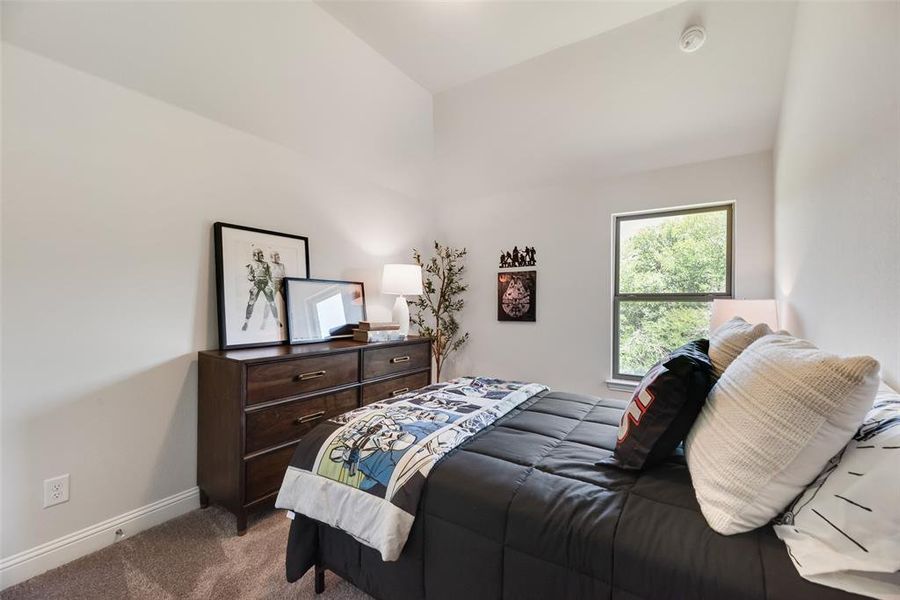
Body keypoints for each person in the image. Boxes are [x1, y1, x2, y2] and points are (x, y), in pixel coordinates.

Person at [241, 247, 280, 331]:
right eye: (260, 254)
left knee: (272, 303)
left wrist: (271, 284)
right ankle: (246, 322)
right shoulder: (251, 264)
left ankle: (277, 320)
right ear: (255, 255)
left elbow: (270, 275)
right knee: (251, 303)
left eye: (262, 254)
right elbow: (249, 275)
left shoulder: (266, 264)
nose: (262, 255)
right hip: (257, 284)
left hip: (265, 284)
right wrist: (251, 277)